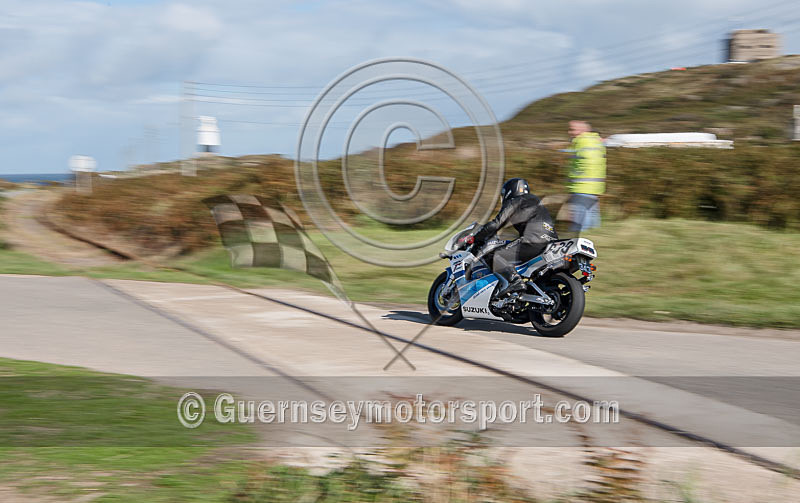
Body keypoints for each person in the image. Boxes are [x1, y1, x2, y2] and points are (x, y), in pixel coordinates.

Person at [460, 178, 558, 297]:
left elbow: (496, 223)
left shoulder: (515, 201)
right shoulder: (536, 202)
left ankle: (514, 281)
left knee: (496, 256)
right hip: (550, 243)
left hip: (532, 241)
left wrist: (476, 237)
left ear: (510, 191)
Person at [565, 120, 606, 233]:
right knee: (592, 225)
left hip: (581, 187)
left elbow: (586, 163)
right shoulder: (596, 141)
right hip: (595, 188)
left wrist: (574, 179)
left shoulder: (582, 141)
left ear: (583, 130)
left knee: (578, 227)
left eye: (573, 129)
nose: (569, 132)